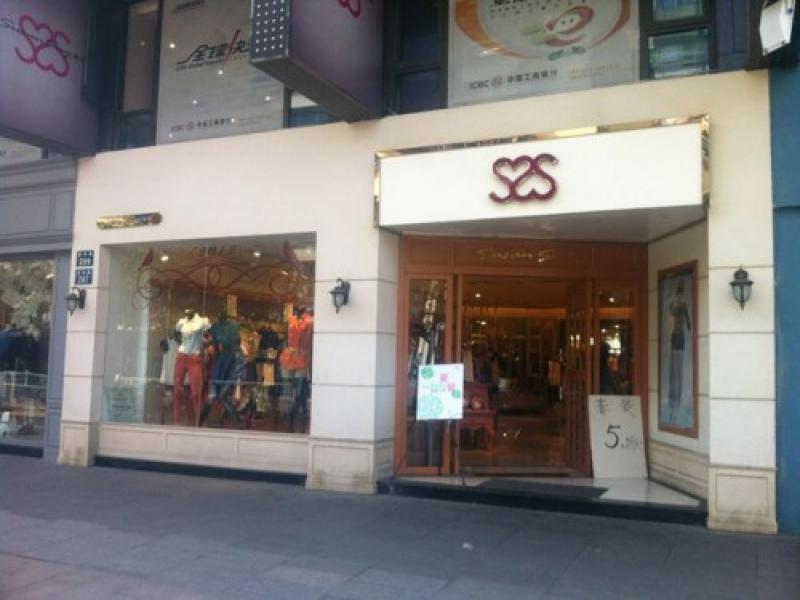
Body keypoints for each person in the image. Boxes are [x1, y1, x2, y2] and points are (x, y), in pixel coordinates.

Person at [667, 280, 691, 422]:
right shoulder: (677, 304)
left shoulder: (682, 304)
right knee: (674, 371)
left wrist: (689, 326)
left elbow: (686, 318)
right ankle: (673, 405)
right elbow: (672, 311)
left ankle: (676, 405)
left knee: (678, 372)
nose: (680, 295)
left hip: (680, 337)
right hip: (676, 336)